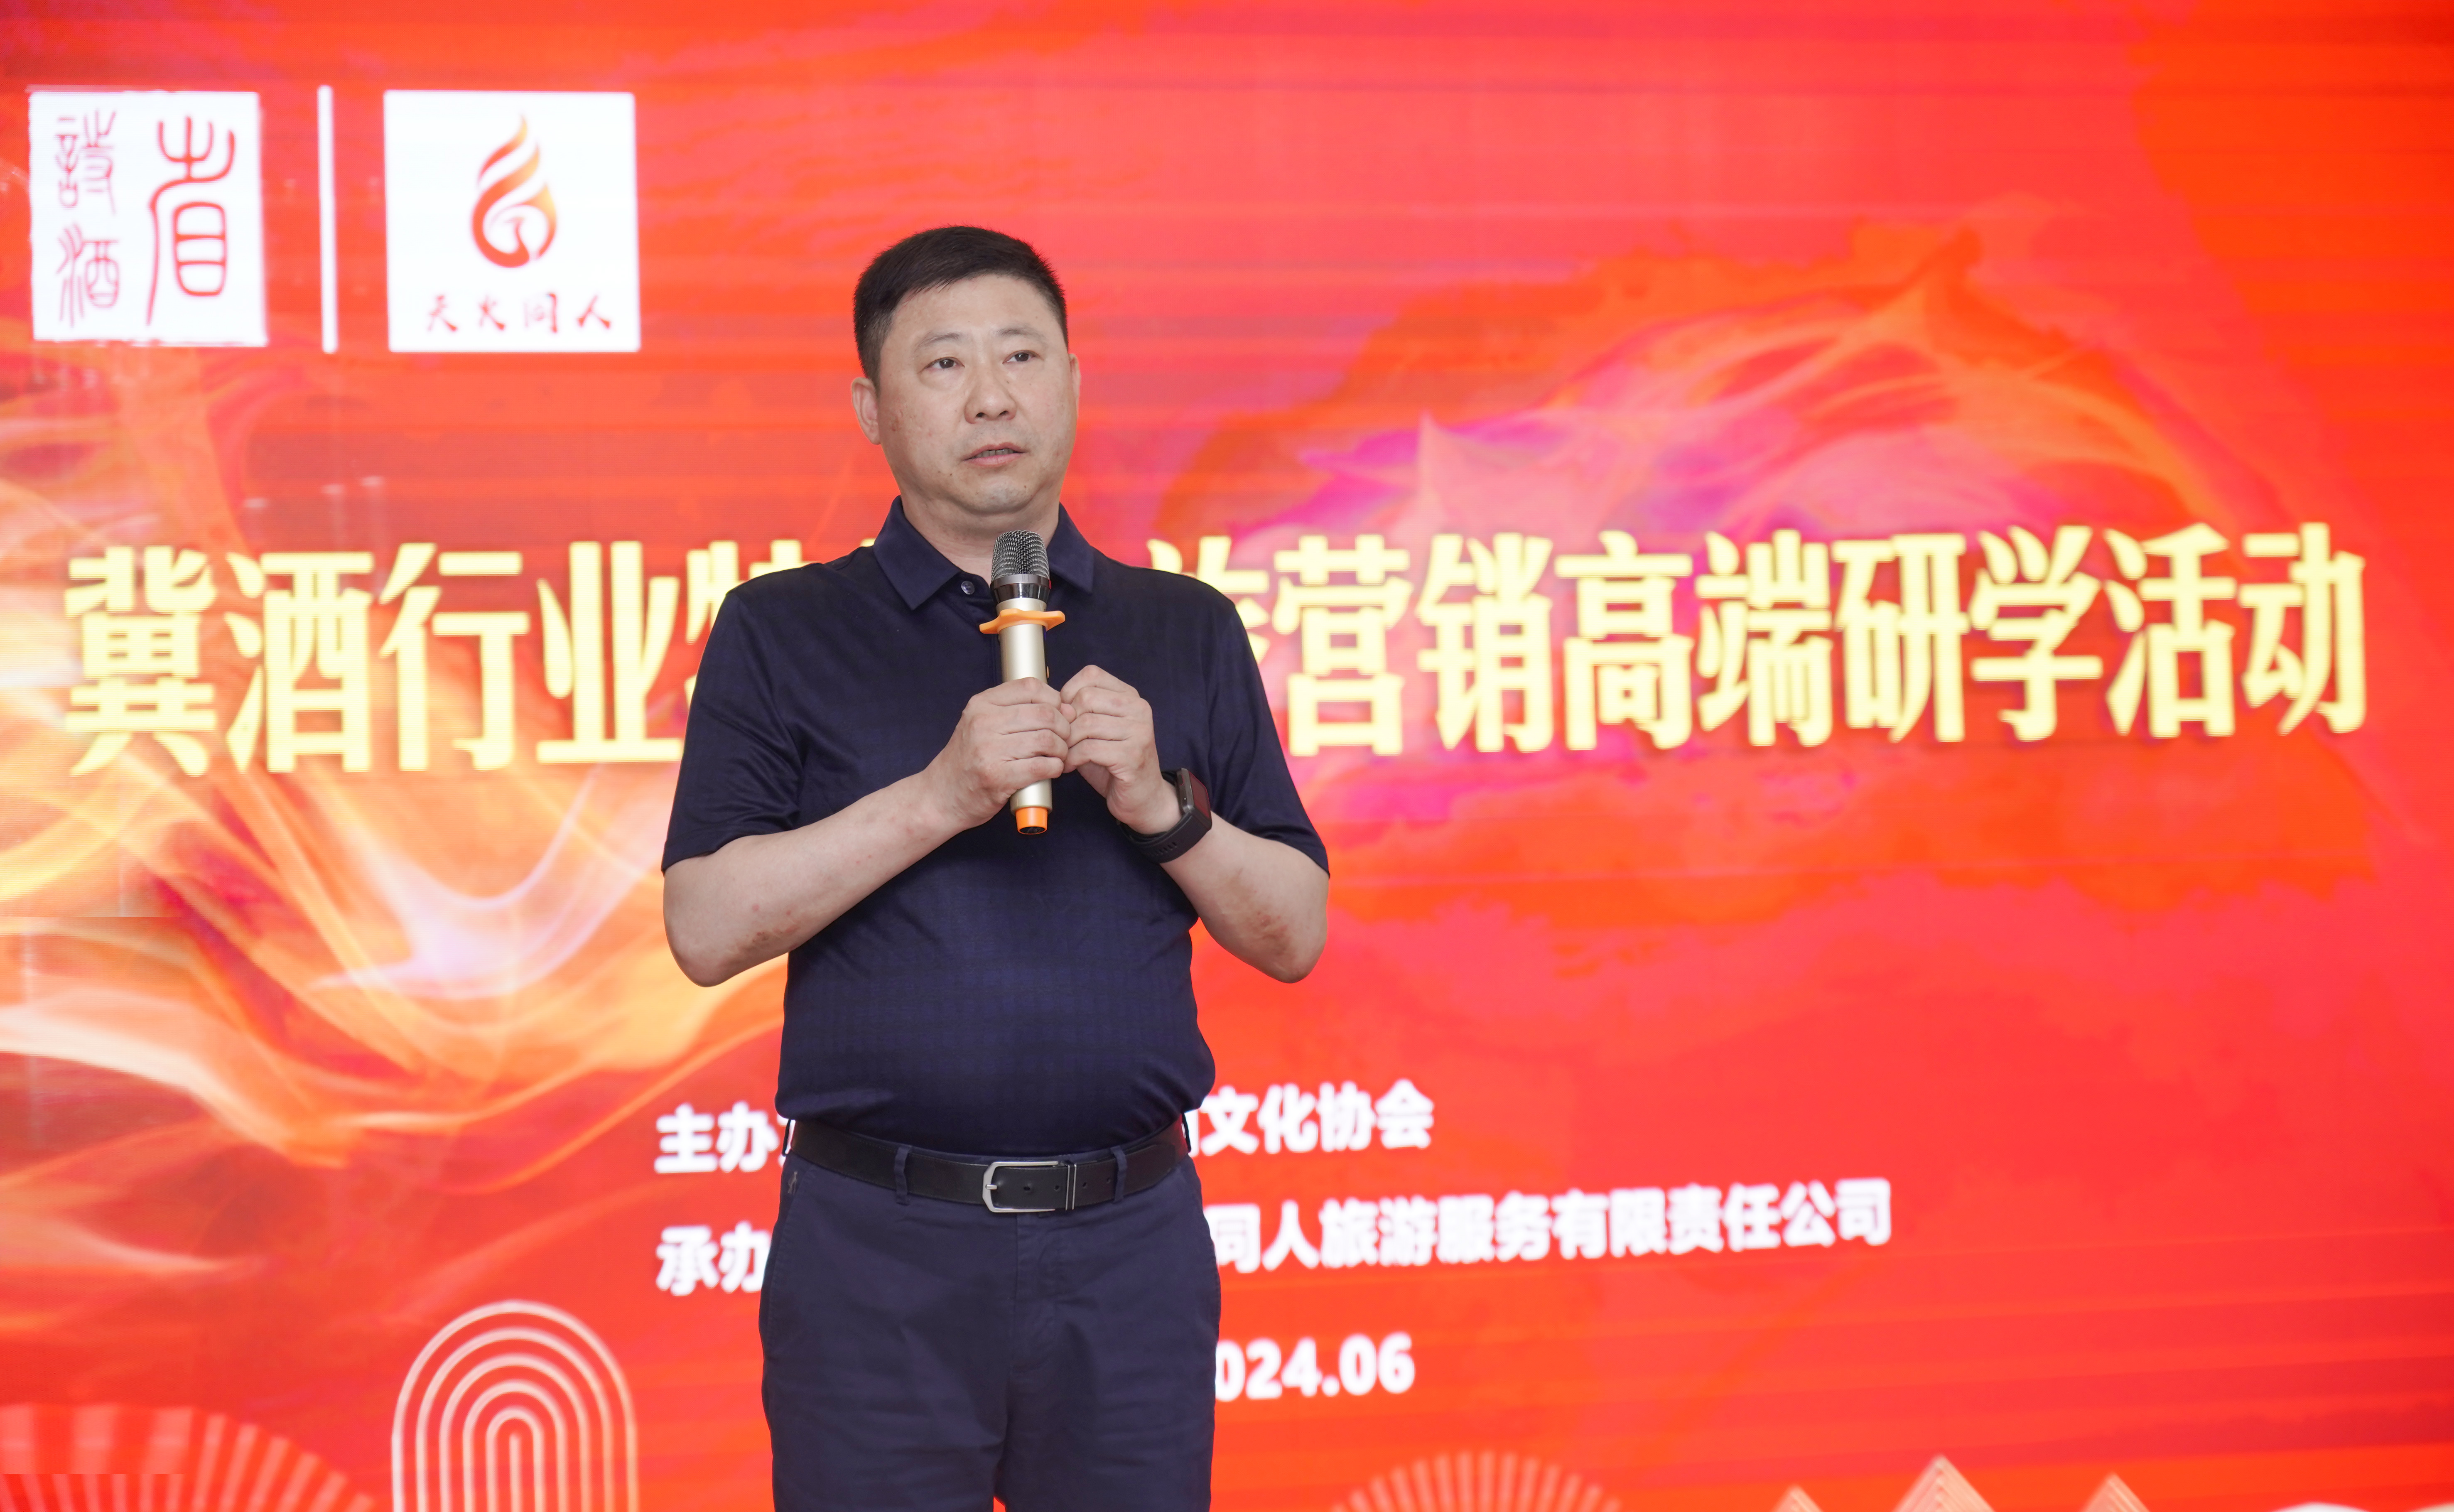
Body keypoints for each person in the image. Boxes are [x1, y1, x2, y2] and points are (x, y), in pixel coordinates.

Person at [660, 225, 1330, 1512]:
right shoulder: (782, 629)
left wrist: (1159, 806)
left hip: (1129, 1248)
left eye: (1022, 357)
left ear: (1071, 382)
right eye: (944, 364)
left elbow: (1294, 932)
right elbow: (705, 926)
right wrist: (939, 796)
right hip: (878, 1255)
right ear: (872, 408)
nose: (990, 397)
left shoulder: (1183, 627)